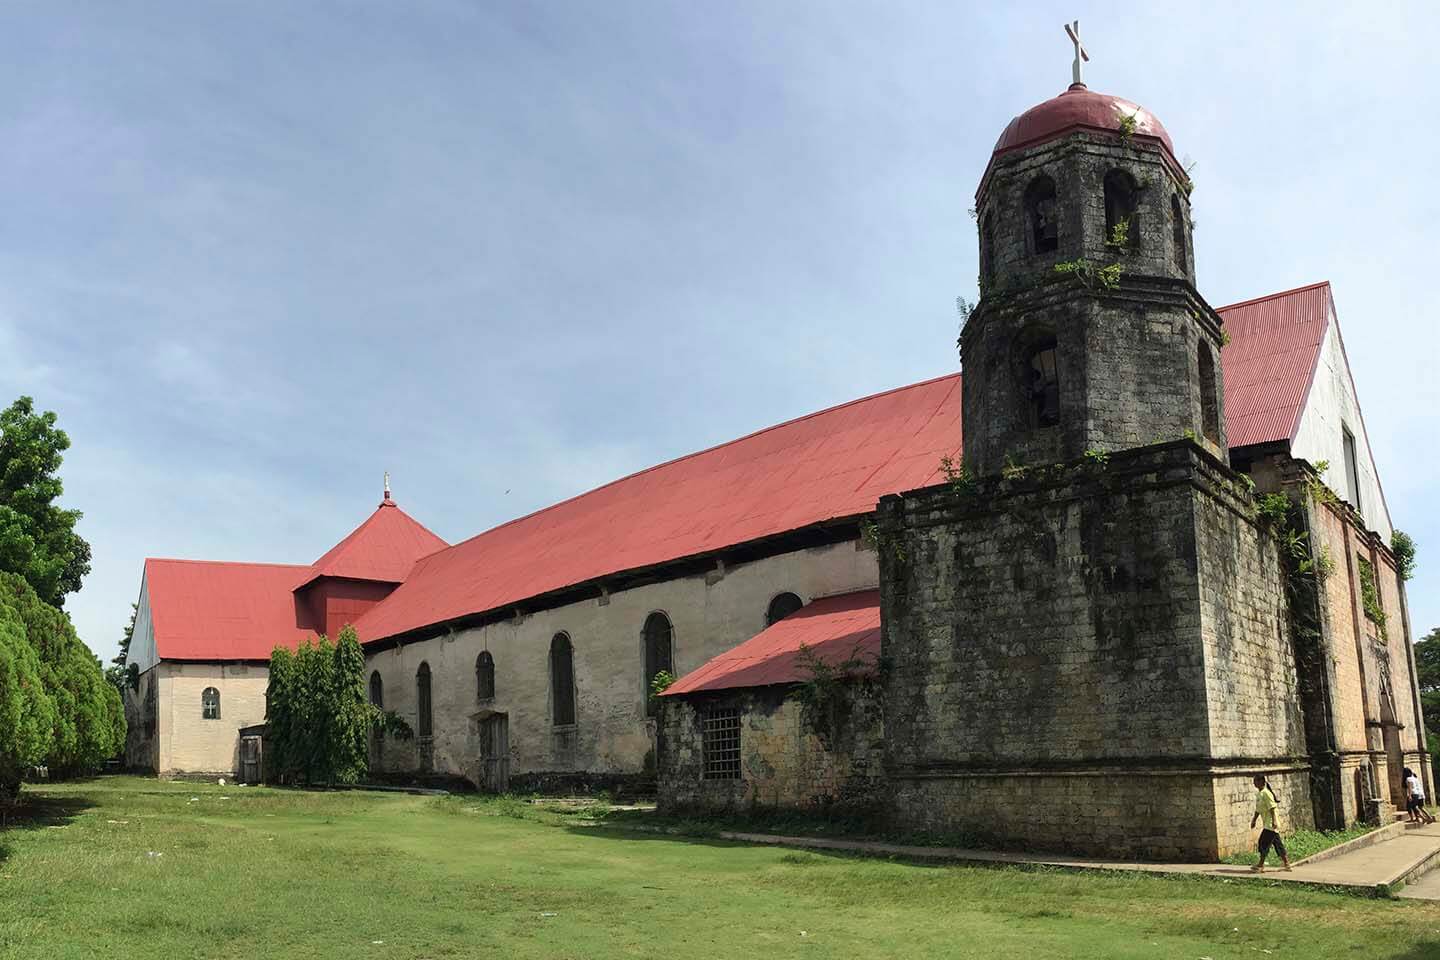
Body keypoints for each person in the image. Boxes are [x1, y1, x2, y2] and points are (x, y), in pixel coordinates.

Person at [1249, 775, 1292, 873]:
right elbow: (1258, 810)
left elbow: (1272, 808)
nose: (1254, 783)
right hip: (1268, 824)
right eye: (1254, 781)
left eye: (1256, 781)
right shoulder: (1260, 794)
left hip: (1271, 824)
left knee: (1263, 843)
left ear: (1262, 782)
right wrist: (1254, 820)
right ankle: (1287, 864)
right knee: (1278, 844)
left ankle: (1260, 865)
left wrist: (1274, 821)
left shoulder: (1266, 793)